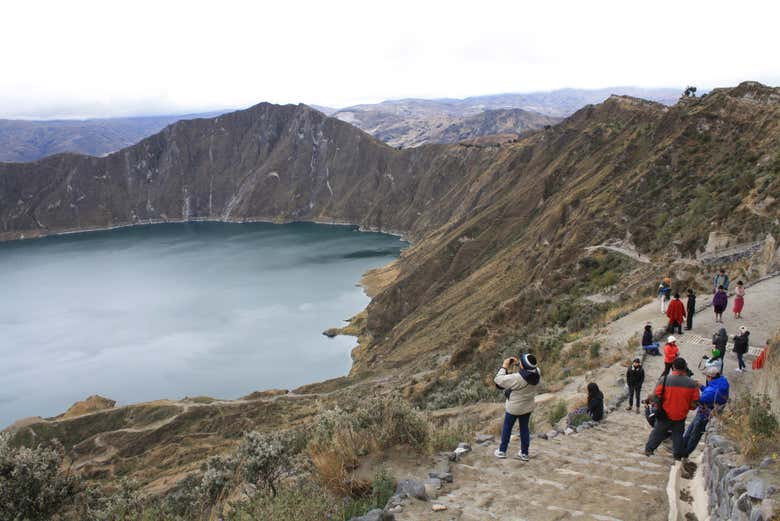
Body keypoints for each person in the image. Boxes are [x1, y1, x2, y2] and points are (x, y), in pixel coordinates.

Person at [644, 358, 700, 460]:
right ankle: (677, 457)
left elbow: (656, 396)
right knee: (678, 436)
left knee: (657, 433)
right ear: (685, 368)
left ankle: (649, 450)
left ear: (673, 367)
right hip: (680, 416)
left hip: (665, 414)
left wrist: (653, 402)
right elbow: (694, 404)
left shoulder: (665, 380)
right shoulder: (693, 384)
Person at [494, 353, 541, 461]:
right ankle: (524, 453)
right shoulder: (537, 372)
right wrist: (518, 364)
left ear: (523, 367)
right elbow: (529, 370)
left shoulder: (517, 378)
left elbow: (498, 380)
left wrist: (504, 366)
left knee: (507, 428)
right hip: (527, 406)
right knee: (524, 429)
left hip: (514, 408)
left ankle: (502, 451)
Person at [682, 365, 729, 457]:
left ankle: (684, 453)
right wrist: (702, 387)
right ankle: (681, 448)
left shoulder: (711, 391)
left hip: (704, 415)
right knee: (690, 431)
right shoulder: (722, 383)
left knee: (693, 435)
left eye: (706, 377)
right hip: (710, 412)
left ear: (710, 377)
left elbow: (699, 400)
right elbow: (711, 393)